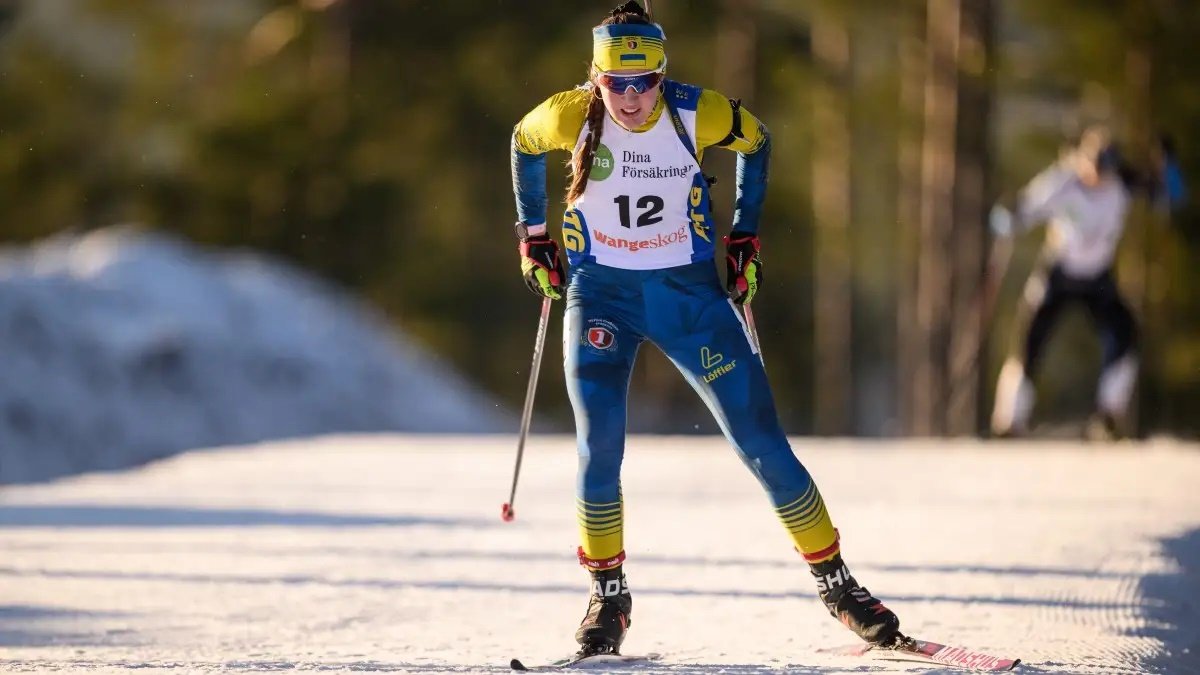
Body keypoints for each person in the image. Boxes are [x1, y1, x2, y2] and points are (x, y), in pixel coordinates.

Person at [509, 0, 900, 657]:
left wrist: (745, 234)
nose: (631, 99)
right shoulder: (569, 115)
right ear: (596, 78)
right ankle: (607, 597)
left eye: (644, 84)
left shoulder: (698, 111)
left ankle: (837, 584)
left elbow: (759, 141)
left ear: (661, 76)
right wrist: (533, 238)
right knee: (598, 445)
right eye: (616, 84)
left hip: (688, 297)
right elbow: (522, 143)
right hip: (602, 297)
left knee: (762, 442)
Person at [990, 126, 1140, 440]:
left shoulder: (1123, 184)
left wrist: (1167, 172)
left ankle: (1109, 415)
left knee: (1123, 335)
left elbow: (1169, 192)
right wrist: (1009, 215)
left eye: (1105, 167)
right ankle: (1010, 418)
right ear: (1082, 159)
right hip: (1059, 274)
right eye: (1094, 165)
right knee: (1029, 339)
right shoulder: (1062, 182)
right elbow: (1027, 207)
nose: (1098, 175)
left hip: (1098, 277)